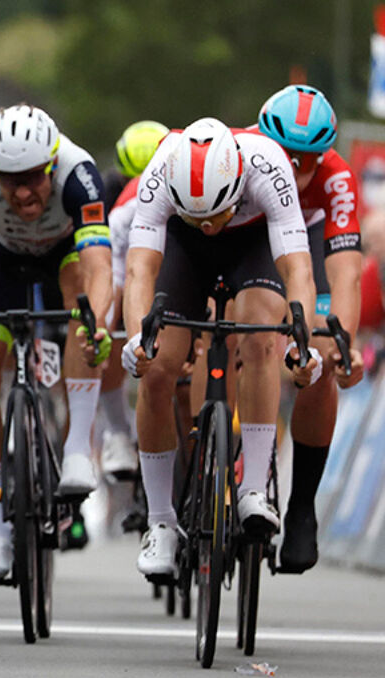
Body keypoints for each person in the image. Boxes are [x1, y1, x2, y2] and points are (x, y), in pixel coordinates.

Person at [120, 117, 319, 579]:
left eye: (217, 214)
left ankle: (252, 488)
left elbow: (298, 273)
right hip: (183, 251)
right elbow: (140, 274)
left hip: (252, 244)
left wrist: (301, 339)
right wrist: (136, 340)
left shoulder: (267, 165)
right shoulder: (160, 171)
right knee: (155, 368)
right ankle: (161, 523)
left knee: (260, 338)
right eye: (199, 217)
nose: (210, 226)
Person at [0, 104, 114, 580]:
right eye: (11, 181)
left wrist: (96, 323)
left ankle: (75, 449)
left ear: (51, 163)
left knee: (83, 308)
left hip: (63, 255)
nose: (25, 191)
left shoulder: (79, 174)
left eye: (34, 177)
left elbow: (98, 265)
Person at [254, 84, 365, 572]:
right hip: (250, 238)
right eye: (288, 156)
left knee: (322, 354)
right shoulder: (239, 157)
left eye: (309, 159)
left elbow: (346, 272)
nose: (298, 170)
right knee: (231, 333)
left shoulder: (336, 179)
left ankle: (301, 507)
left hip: (310, 245)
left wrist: (344, 342)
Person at [99, 121, 169, 480]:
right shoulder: (115, 200)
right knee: (105, 336)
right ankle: (118, 432)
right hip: (127, 262)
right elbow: (112, 270)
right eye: (133, 181)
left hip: (171, 263)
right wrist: (102, 326)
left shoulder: (180, 186)